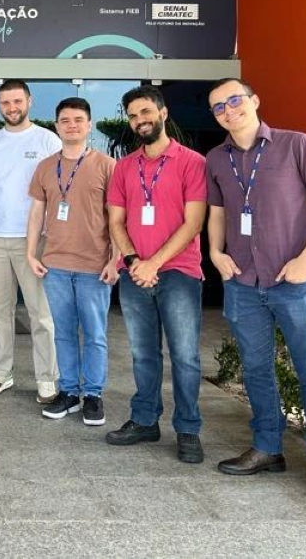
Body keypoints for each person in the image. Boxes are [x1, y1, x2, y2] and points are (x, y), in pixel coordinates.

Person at [205, 78, 306, 501]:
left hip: (294, 283)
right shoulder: (216, 158)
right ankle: (268, 448)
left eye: (235, 100)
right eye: (218, 107)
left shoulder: (295, 144)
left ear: (253, 101)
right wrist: (215, 252)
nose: (229, 110)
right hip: (243, 283)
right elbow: (217, 213)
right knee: (256, 369)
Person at [105, 85, 208, 464]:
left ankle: (188, 429)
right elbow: (116, 220)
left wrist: (154, 263)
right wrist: (134, 261)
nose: (139, 120)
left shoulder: (192, 162)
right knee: (143, 354)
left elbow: (193, 222)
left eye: (145, 111)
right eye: (133, 115)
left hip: (179, 273)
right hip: (135, 274)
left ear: (163, 113)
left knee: (185, 356)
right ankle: (146, 420)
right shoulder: (124, 167)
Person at [27, 97, 118, 425]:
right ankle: (68, 391)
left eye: (78, 120)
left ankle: (93, 394)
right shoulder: (46, 167)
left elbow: (117, 217)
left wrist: (116, 259)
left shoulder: (107, 166)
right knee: (63, 332)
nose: (72, 125)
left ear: (89, 125)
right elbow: (37, 212)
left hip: (95, 265)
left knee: (94, 333)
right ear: (57, 126)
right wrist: (30, 252)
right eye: (65, 120)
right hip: (56, 265)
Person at [0, 80, 60, 402]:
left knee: (40, 312)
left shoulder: (47, 140)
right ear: (0, 105)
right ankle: (1, 371)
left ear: (29, 101)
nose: (12, 108)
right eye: (6, 103)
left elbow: (57, 189)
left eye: (17, 101)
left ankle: (47, 377)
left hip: (35, 239)